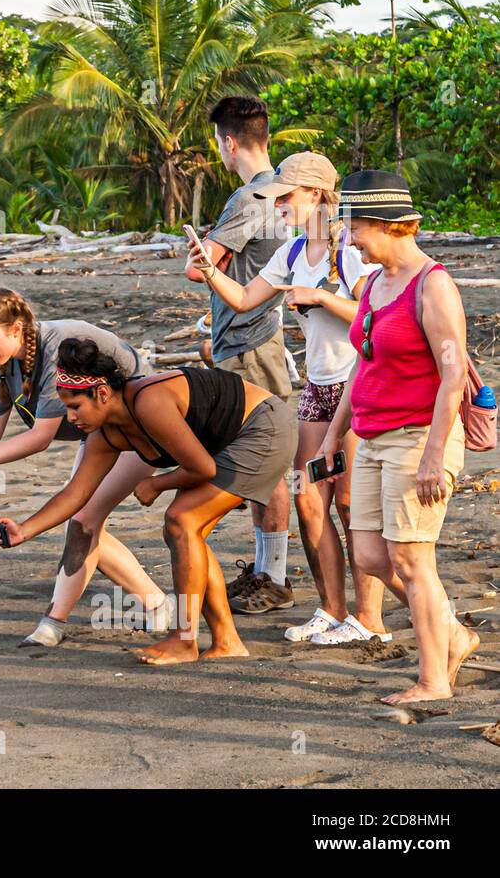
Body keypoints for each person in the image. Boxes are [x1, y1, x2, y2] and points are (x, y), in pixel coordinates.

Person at [0, 338, 297, 664]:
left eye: (75, 406)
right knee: (182, 530)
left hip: (262, 426)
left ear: (102, 393)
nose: (70, 417)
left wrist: (156, 484)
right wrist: (24, 530)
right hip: (221, 439)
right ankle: (226, 641)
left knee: (182, 521)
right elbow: (76, 495)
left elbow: (202, 468)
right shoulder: (105, 433)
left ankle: (183, 639)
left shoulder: (149, 402)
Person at [187, 152, 385, 642]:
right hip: (317, 389)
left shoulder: (351, 251)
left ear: (317, 195)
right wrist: (210, 271)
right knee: (309, 500)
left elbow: (374, 319)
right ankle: (332, 610)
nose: (278, 205)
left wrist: (318, 297)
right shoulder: (294, 252)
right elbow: (245, 298)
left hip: (356, 386)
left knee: (349, 503)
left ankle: (369, 620)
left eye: (287, 196)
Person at [0, 287, 171, 645]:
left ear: (15, 329)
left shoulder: (57, 349)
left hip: (139, 424)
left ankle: (53, 624)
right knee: (86, 521)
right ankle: (158, 605)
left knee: (83, 519)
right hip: (100, 433)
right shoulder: (6, 361)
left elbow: (40, 438)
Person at [316, 170, 479, 704]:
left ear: (387, 226)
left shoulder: (433, 285)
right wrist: (331, 440)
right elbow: (361, 369)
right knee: (370, 557)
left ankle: (433, 680)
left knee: (412, 560)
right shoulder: (373, 287)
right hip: (372, 436)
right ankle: (451, 633)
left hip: (419, 437)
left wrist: (435, 454)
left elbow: (452, 373)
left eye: (354, 229)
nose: (349, 240)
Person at [185, 95, 295, 611]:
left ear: (229, 142)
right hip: (261, 334)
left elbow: (200, 265)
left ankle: (272, 576)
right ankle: (265, 569)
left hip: (250, 342)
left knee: (265, 462)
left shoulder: (250, 199)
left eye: (218, 144)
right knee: (266, 460)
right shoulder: (287, 193)